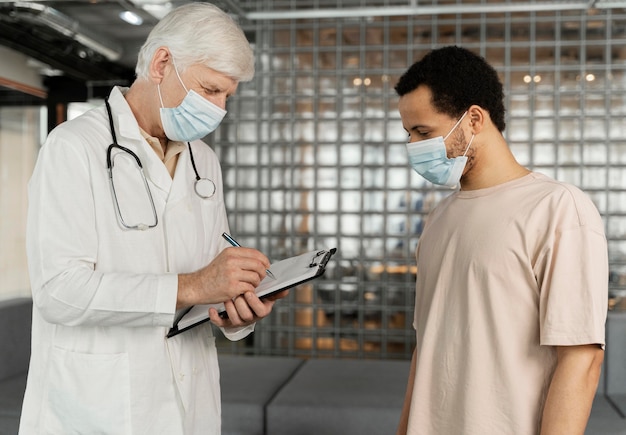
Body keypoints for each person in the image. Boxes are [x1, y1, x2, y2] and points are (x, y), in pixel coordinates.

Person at [19, 3, 287, 434]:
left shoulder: (204, 161)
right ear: (162, 63)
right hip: (99, 406)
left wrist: (235, 309)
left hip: (190, 401)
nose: (219, 109)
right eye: (210, 89)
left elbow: (208, 279)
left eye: (226, 96)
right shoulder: (73, 147)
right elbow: (59, 291)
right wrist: (195, 285)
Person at [395, 46, 607, 435]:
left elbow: (581, 360)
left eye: (423, 132)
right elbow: (425, 347)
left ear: (473, 119)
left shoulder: (558, 208)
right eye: (408, 133)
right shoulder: (439, 218)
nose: (412, 146)